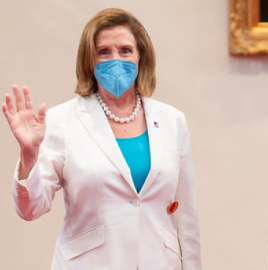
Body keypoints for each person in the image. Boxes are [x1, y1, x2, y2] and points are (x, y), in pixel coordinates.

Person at [2, 8, 201, 270]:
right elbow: (31, 209)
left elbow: (186, 216)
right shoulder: (62, 121)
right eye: (104, 52)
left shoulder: (173, 121)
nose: (115, 59)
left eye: (125, 50)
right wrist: (29, 155)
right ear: (89, 61)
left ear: (141, 57)